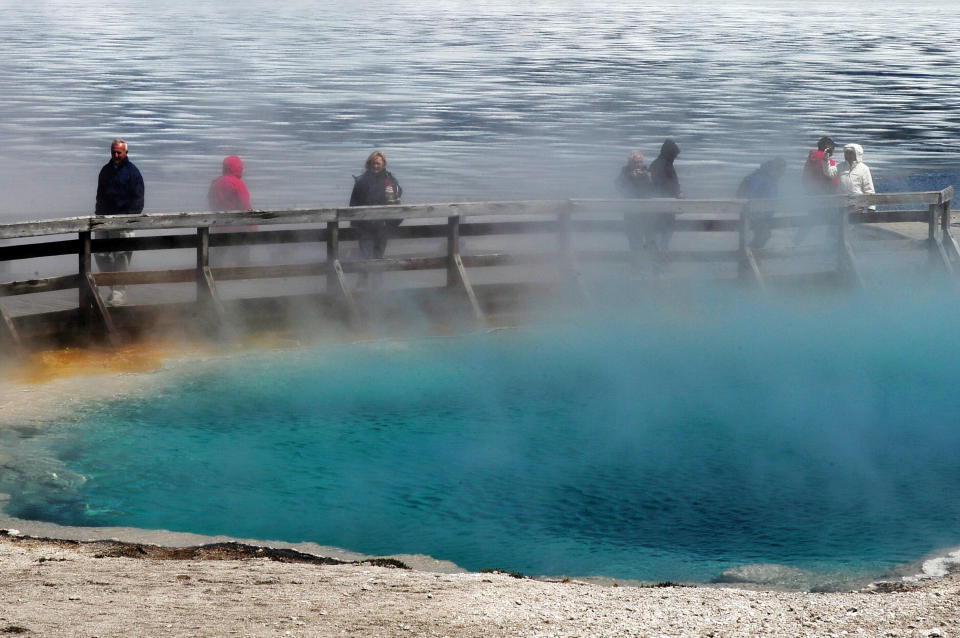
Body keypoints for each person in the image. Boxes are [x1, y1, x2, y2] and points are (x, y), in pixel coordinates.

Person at [95, 138, 145, 306]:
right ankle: (112, 287)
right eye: (113, 152)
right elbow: (100, 195)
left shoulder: (133, 172)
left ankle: (119, 293)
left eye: (119, 152)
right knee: (100, 254)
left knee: (121, 257)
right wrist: (98, 216)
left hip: (124, 221)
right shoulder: (105, 171)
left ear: (126, 153)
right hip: (104, 220)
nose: (116, 155)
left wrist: (129, 218)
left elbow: (138, 199)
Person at [349, 150, 403, 260]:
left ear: (383, 164)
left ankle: (378, 277)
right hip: (364, 228)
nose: (375, 166)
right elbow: (353, 204)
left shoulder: (390, 180)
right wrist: (355, 225)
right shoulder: (361, 181)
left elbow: (398, 197)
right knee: (365, 258)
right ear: (369, 164)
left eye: (378, 163)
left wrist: (395, 191)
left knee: (379, 259)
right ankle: (364, 277)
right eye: (373, 163)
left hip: (382, 227)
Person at [208, 155, 254, 265]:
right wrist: (253, 226)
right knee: (242, 260)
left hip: (218, 228)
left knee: (216, 260)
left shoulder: (215, 183)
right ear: (236, 168)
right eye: (240, 167)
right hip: (237, 230)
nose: (242, 169)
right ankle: (242, 277)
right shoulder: (237, 183)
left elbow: (211, 202)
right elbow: (245, 206)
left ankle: (214, 276)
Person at [736, 157, 787, 248]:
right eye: (782, 172)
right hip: (752, 214)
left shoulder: (772, 178)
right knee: (764, 235)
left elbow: (772, 197)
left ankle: (749, 252)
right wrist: (756, 215)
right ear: (776, 169)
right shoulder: (760, 178)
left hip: (761, 215)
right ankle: (749, 253)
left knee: (764, 235)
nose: (782, 175)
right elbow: (750, 197)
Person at [644, 138, 681, 251]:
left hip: (664, 213)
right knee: (660, 243)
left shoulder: (660, 164)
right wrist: (677, 193)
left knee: (662, 243)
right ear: (670, 154)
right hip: (661, 214)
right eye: (674, 155)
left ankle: (658, 264)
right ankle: (659, 265)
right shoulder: (662, 165)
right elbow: (660, 188)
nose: (675, 158)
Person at [824, 143, 876, 211]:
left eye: (851, 153)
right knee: (841, 221)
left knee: (855, 221)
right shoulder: (840, 166)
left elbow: (869, 189)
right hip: (841, 204)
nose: (848, 155)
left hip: (857, 205)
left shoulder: (864, 169)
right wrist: (826, 159)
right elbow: (829, 173)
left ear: (857, 154)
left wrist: (871, 207)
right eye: (846, 153)